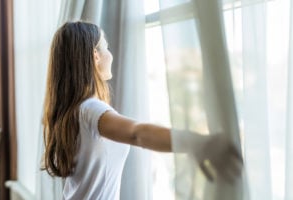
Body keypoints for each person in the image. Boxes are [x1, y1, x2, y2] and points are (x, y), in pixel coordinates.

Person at [42, 21, 243, 200]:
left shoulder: (71, 111)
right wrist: (198, 142)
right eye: (107, 47)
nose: (110, 54)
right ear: (95, 55)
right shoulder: (91, 109)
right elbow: (137, 133)